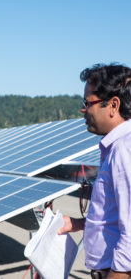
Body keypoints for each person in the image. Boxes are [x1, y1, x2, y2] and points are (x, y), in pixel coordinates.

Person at [58, 63, 131, 279]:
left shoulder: (124, 149)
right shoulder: (117, 148)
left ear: (113, 105)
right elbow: (117, 216)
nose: (83, 109)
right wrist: (78, 224)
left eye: (88, 102)